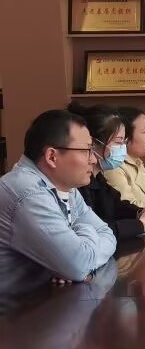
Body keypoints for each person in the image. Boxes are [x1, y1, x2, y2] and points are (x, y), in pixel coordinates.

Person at [0, 110, 116, 296]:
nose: (94, 159)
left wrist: (78, 255)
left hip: (45, 300)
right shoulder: (27, 194)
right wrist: (82, 238)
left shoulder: (66, 188)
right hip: (16, 309)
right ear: (52, 157)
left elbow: (108, 234)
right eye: (86, 150)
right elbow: (78, 265)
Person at [68, 103, 145, 239]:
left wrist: (142, 213)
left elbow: (117, 205)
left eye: (124, 142)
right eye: (118, 142)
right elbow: (96, 230)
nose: (123, 148)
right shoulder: (78, 184)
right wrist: (141, 223)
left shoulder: (98, 179)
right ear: (94, 144)